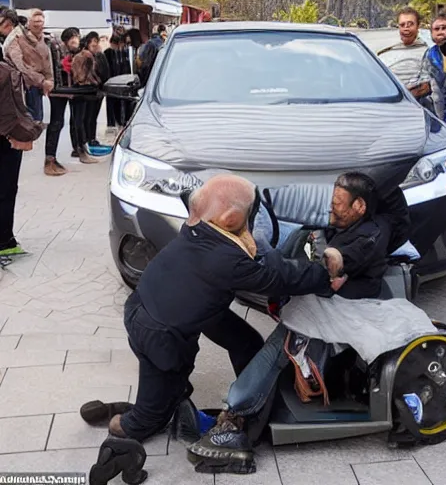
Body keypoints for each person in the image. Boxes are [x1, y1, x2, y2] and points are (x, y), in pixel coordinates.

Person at [82, 174, 345, 483]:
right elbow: (278, 278)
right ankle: (120, 434)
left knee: (245, 340)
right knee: (155, 409)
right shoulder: (227, 260)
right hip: (163, 335)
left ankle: (250, 405)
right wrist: (324, 276)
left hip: (154, 308)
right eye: (250, 214)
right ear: (232, 218)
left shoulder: (197, 228)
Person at [186, 172, 403, 472]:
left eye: (338, 203)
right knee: (300, 234)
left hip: (346, 311)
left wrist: (326, 259)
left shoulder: (370, 236)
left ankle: (235, 414)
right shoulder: (359, 217)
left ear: (360, 207)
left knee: (282, 343)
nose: (331, 206)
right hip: (329, 300)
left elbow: (342, 258)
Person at [0, 6, 45, 257]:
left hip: (6, 129)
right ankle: (5, 242)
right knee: (6, 188)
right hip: (5, 133)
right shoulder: (7, 56)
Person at [378, 7, 436, 113]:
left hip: (416, 107)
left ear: (418, 26)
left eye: (410, 24)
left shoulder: (429, 52)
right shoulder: (386, 52)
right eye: (402, 25)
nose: (406, 28)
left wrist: (401, 97)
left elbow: (428, 86)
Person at [4, 8, 53, 122]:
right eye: (36, 23)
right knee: (28, 123)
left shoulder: (43, 40)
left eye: (41, 22)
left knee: (37, 121)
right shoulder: (16, 38)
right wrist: (41, 80)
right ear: (28, 23)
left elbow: (47, 63)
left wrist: (49, 80)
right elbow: (19, 65)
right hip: (24, 86)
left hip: (38, 86)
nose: (39, 26)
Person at [44, 27, 80, 175]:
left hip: (67, 91)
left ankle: (53, 157)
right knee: (56, 122)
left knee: (61, 122)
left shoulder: (72, 52)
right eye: (73, 38)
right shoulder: (55, 48)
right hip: (58, 91)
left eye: (77, 38)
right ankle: (49, 158)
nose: (76, 41)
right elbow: (51, 67)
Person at [82, 31, 111, 156]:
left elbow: (106, 71)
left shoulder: (100, 55)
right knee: (87, 117)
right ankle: (86, 140)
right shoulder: (85, 55)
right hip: (88, 91)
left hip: (98, 91)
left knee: (93, 117)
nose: (95, 44)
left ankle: (92, 138)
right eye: (92, 42)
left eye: (96, 42)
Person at [70, 47, 100, 164]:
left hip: (77, 90)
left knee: (77, 121)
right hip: (80, 90)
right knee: (79, 121)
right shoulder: (82, 57)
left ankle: (79, 148)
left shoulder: (78, 56)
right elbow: (82, 76)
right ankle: (82, 149)